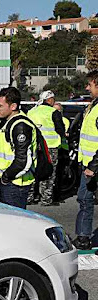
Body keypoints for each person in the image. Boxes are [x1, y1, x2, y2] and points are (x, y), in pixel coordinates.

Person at [0, 87, 38, 209]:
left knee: (13, 224)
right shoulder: (5, 121)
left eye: (0, 105)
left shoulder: (20, 125)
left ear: (13, 106)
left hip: (15, 184)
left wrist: (6, 177)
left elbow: (22, 160)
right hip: (9, 182)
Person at [26, 90, 67, 206]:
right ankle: (46, 199)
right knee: (49, 173)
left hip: (34, 146)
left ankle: (30, 197)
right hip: (50, 147)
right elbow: (60, 130)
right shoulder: (53, 112)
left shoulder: (31, 112)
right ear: (49, 100)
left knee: (32, 171)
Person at [73, 70, 98, 250]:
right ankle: (83, 237)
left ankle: (84, 236)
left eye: (90, 84)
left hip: (93, 166)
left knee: (86, 200)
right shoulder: (93, 106)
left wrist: (93, 166)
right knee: (84, 200)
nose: (87, 88)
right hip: (88, 164)